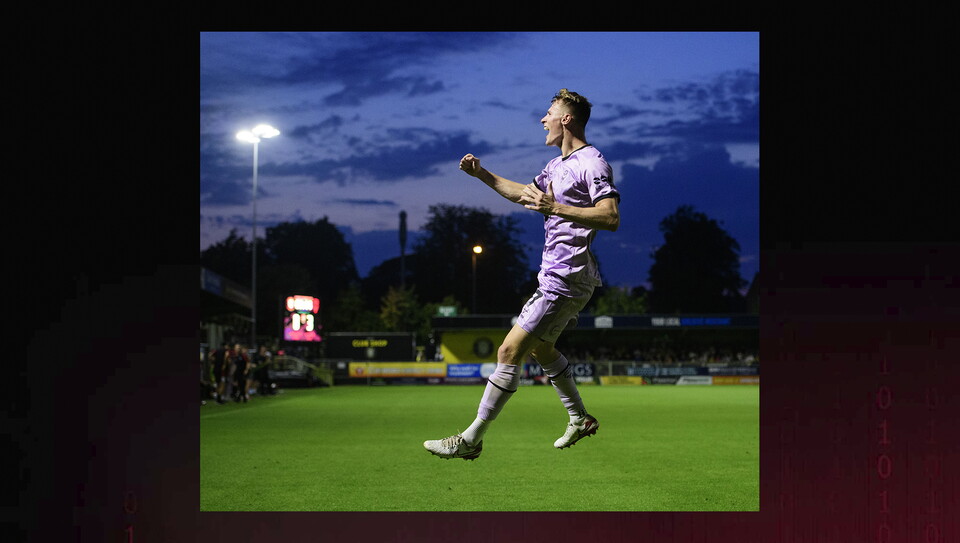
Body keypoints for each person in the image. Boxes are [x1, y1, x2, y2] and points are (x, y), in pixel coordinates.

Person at [424, 89, 620, 460]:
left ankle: (470, 439)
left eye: (549, 113)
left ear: (566, 119)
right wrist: (482, 174)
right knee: (542, 349)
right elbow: (523, 194)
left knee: (508, 350)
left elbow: (610, 217)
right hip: (559, 274)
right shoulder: (556, 165)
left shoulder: (592, 162)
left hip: (566, 277)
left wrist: (554, 206)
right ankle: (579, 417)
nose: (543, 120)